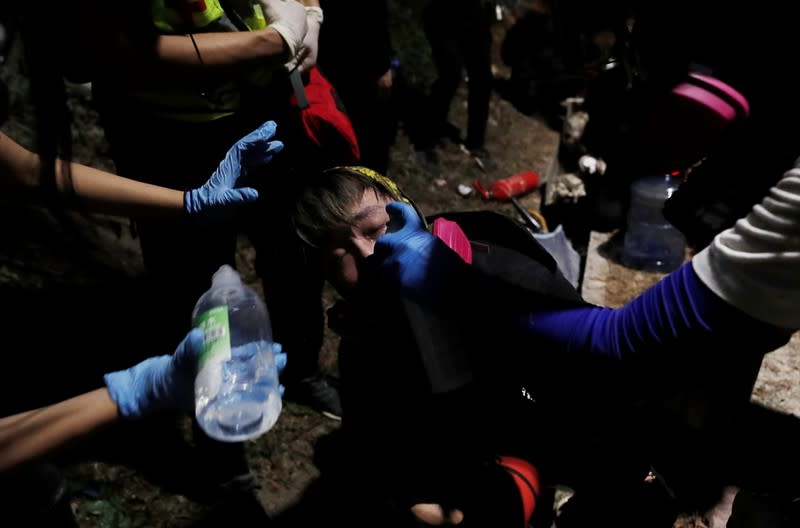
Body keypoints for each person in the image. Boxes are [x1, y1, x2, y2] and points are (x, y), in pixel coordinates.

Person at [282, 163, 800, 526]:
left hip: (558, 428)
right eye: (338, 257)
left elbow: (604, 349)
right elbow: (380, 447)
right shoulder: (362, 338)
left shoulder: (484, 249)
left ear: (405, 210)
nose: (368, 253)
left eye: (375, 228)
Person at [52, 0, 342, 420]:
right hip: (167, 130)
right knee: (191, 277)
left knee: (293, 245)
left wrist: (310, 14)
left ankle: (301, 365)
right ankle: (216, 426)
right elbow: (122, 52)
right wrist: (273, 41)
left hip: (266, 99)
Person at [316, 0, 397, 175]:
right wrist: (383, 65)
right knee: (360, 133)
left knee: (365, 134)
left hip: (351, 59)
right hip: (348, 60)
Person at [415, 0, 496, 174]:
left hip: (475, 12)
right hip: (443, 14)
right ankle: (427, 142)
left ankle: (476, 143)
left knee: (482, 77)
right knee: (450, 75)